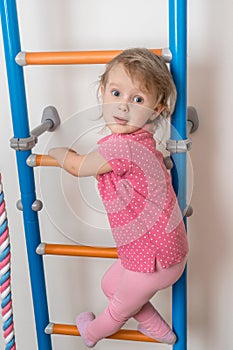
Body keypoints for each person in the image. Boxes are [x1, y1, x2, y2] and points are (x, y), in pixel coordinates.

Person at [48, 48, 189, 347]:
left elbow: (78, 166)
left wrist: (55, 152)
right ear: (102, 92)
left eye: (137, 100)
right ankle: (159, 330)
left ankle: (91, 334)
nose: (123, 106)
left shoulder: (124, 148)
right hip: (153, 250)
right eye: (116, 92)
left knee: (117, 309)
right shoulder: (141, 138)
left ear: (157, 109)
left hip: (156, 259)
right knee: (109, 284)